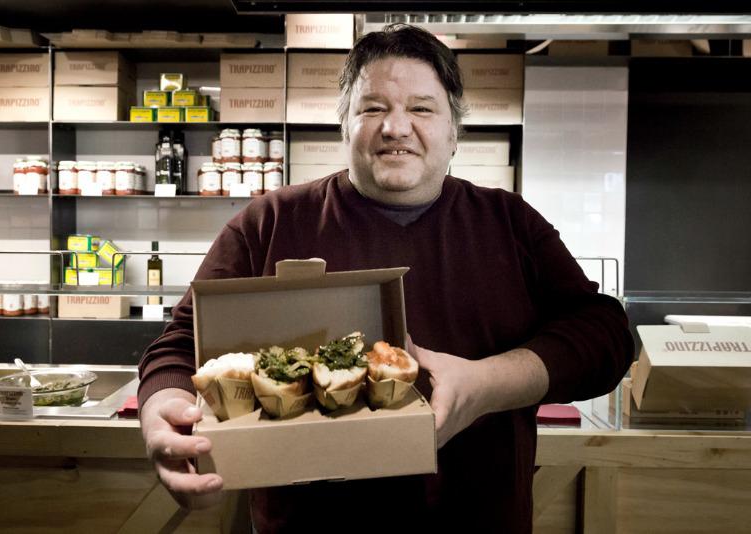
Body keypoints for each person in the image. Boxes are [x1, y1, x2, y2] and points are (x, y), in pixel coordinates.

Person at [139, 24, 634, 533]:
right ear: (344, 127)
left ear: (454, 130)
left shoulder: (510, 223)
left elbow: (607, 335)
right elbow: (179, 346)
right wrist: (165, 409)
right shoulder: (269, 222)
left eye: (421, 108)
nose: (396, 128)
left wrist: (488, 384)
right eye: (373, 108)